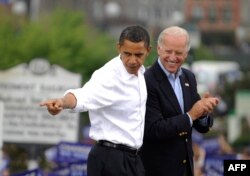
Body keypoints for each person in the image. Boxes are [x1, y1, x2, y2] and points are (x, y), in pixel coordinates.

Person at [40, 25, 151, 176]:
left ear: (148, 51)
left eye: (138, 55)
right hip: (110, 158)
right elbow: (83, 96)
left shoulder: (141, 73)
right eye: (127, 54)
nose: (132, 60)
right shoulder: (108, 76)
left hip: (132, 158)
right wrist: (62, 102)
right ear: (118, 48)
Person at [139, 26, 219, 176]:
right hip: (157, 170)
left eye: (179, 53)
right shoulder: (147, 80)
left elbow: (199, 124)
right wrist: (191, 115)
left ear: (186, 53)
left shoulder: (189, 77)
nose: (173, 57)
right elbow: (154, 129)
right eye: (168, 51)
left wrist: (203, 112)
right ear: (159, 49)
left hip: (185, 169)